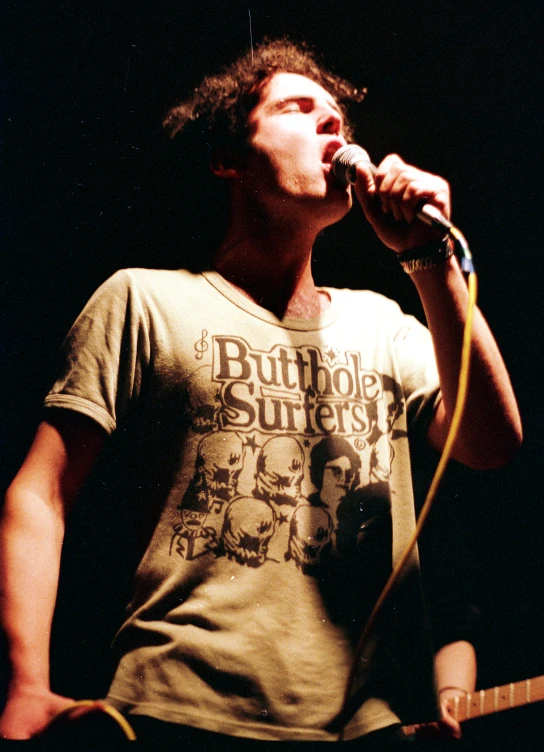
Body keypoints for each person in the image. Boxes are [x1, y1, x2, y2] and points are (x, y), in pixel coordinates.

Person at [0, 38, 521, 747]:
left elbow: (492, 444)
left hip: (361, 726)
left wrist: (428, 261)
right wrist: (27, 682)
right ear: (229, 160)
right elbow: (41, 494)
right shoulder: (144, 300)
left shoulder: (381, 323)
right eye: (299, 108)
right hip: (177, 707)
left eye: (340, 118)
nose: (333, 127)